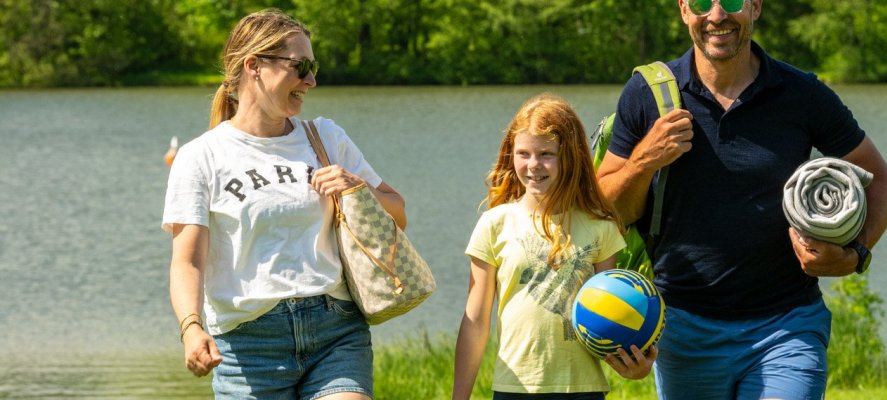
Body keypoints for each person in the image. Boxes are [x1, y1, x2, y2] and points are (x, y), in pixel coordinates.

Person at [596, 0, 887, 398]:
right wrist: (644, 161)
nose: (717, 15)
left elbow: (880, 182)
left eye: (733, 2)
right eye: (703, 3)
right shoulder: (647, 94)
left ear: (755, 7)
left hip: (787, 326)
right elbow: (606, 211)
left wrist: (855, 254)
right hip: (684, 330)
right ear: (685, 10)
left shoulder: (802, 93)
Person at [162, 9, 407, 399]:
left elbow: (397, 213)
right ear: (254, 66)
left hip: (335, 331)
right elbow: (188, 260)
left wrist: (355, 186)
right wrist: (191, 328)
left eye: (313, 67)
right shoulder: (200, 157)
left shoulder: (325, 137)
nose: (310, 80)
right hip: (247, 347)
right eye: (300, 66)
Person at [453, 94, 657, 400]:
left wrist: (635, 366)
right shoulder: (495, 224)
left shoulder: (601, 227)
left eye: (546, 154)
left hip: (583, 390)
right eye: (523, 153)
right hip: (515, 388)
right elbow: (476, 322)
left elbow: (609, 318)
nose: (533, 165)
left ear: (571, 157)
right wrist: (460, 397)